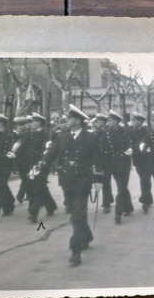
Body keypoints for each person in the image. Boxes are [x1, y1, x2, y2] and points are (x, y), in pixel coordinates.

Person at [33, 105, 104, 267]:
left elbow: (99, 160)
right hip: (67, 181)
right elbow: (50, 154)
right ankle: (86, 235)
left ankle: (75, 251)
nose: (67, 120)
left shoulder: (90, 138)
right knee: (74, 213)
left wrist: (99, 181)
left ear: (78, 121)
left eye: (70, 118)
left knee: (78, 214)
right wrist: (40, 165)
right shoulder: (61, 137)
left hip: (82, 181)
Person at [100, 110, 134, 224]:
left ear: (116, 121)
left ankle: (118, 213)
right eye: (107, 120)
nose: (107, 122)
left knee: (121, 188)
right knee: (120, 188)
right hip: (109, 163)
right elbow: (101, 146)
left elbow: (129, 143)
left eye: (109, 120)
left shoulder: (124, 131)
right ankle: (128, 207)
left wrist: (129, 149)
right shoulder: (105, 132)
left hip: (122, 163)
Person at [25, 113, 57, 223]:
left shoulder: (46, 134)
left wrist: (44, 160)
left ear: (39, 122)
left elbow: (49, 148)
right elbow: (23, 144)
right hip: (31, 163)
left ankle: (33, 212)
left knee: (38, 187)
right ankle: (51, 205)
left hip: (43, 163)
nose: (31, 123)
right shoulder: (29, 134)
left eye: (33, 121)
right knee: (38, 186)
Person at [130, 112, 153, 213]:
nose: (132, 122)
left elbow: (149, 142)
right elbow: (130, 143)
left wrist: (144, 147)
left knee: (145, 179)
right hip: (137, 159)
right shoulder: (130, 131)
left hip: (147, 158)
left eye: (134, 121)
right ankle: (148, 198)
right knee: (144, 179)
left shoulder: (146, 131)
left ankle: (145, 201)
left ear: (140, 122)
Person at [92, 113, 114, 214]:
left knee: (106, 182)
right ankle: (108, 199)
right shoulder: (95, 132)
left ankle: (106, 203)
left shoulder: (108, 132)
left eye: (99, 121)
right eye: (96, 121)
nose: (97, 123)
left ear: (104, 122)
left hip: (107, 160)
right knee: (99, 180)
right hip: (98, 160)